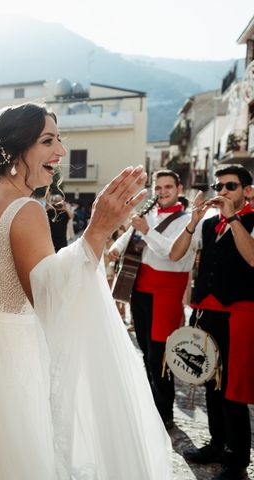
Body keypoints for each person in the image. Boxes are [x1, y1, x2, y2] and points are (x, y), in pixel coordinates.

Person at [0, 103, 172, 479]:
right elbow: (52, 300)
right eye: (48, 141)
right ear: (16, 149)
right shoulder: (23, 209)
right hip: (14, 362)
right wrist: (96, 232)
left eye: (60, 140)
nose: (61, 152)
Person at [170, 165, 254, 480]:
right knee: (211, 381)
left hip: (240, 313)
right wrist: (192, 223)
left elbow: (252, 258)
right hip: (207, 311)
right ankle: (217, 444)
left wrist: (233, 218)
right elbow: (176, 254)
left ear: (247, 191)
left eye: (230, 186)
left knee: (234, 388)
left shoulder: (250, 220)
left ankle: (236, 460)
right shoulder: (207, 225)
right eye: (219, 186)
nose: (222, 192)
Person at [108, 169, 195, 430]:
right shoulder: (150, 211)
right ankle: (151, 406)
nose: (162, 192)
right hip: (141, 288)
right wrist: (117, 247)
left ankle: (164, 411)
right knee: (146, 351)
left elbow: (170, 252)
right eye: (159, 187)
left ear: (179, 188)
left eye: (168, 187)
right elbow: (132, 234)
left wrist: (146, 230)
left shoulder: (188, 220)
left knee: (160, 354)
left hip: (167, 292)